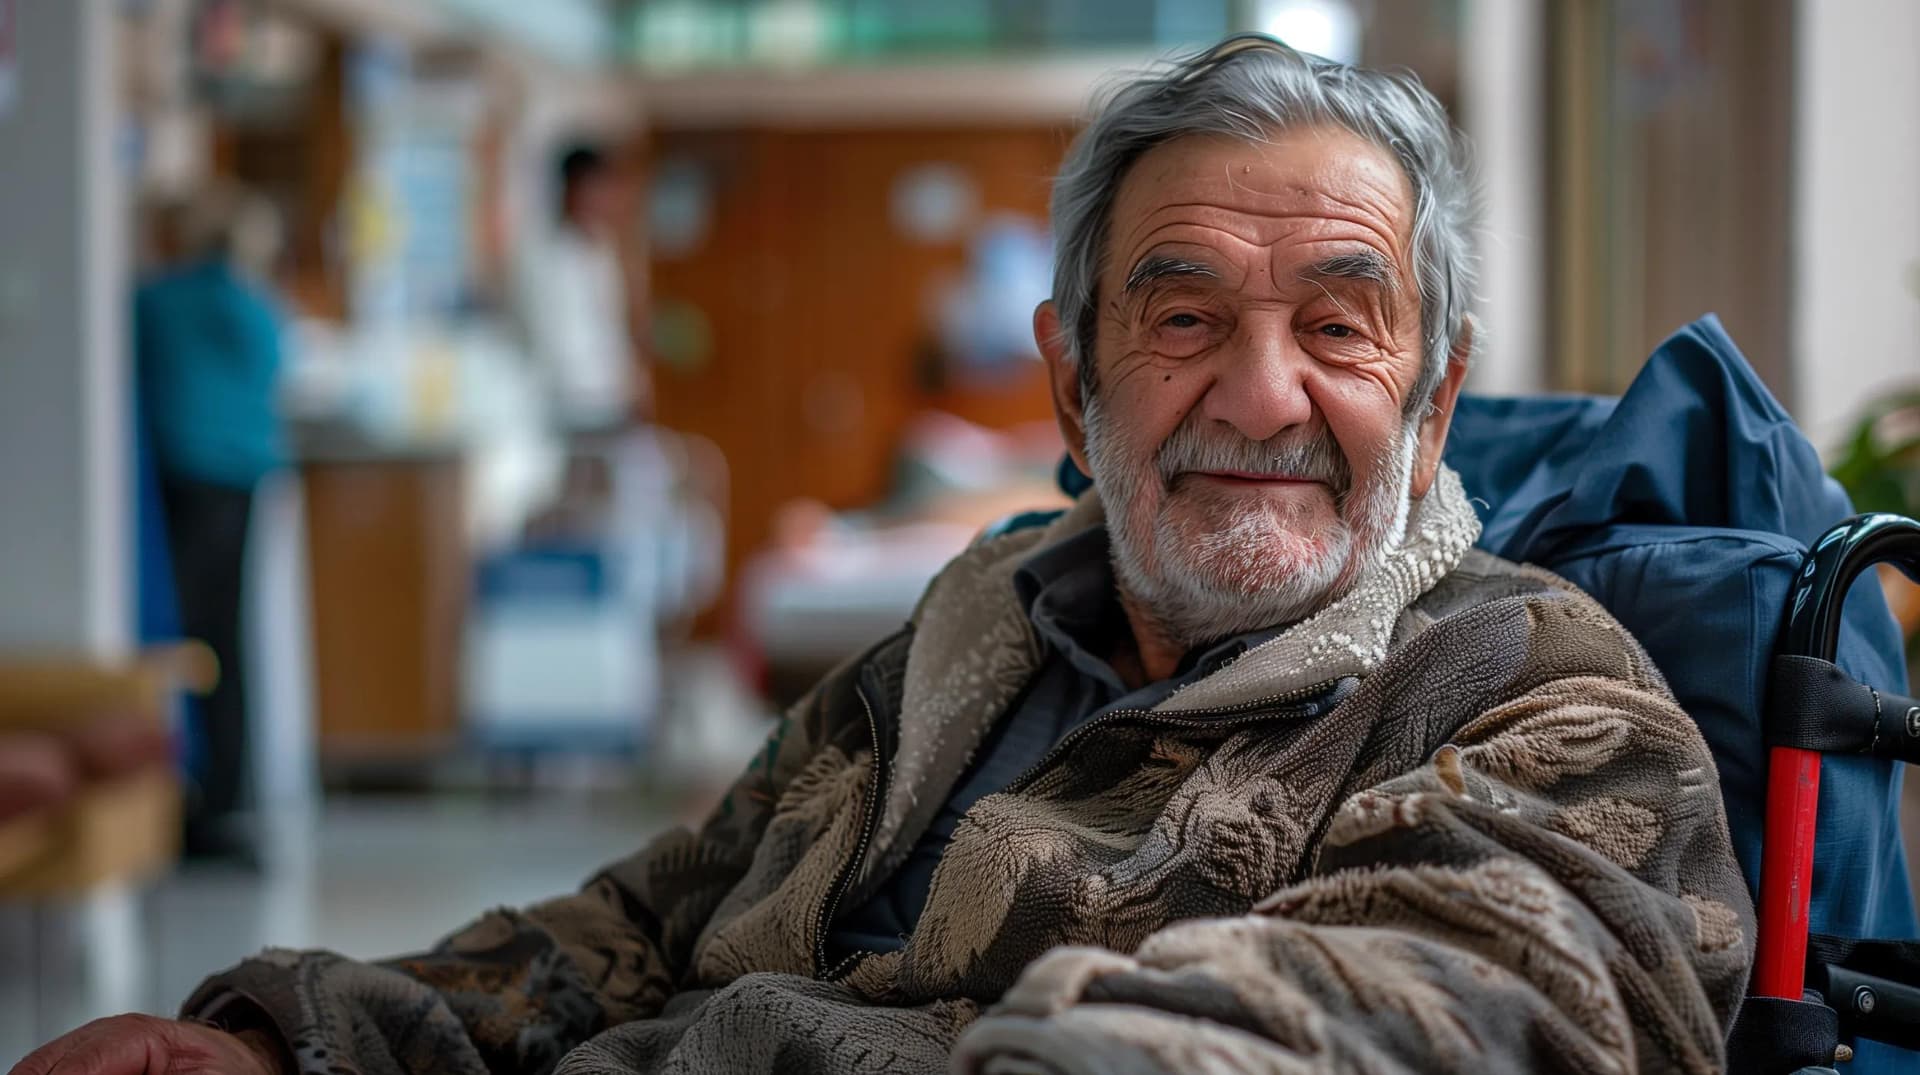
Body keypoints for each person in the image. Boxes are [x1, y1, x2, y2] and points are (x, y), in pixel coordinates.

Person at [16, 35, 1753, 1075]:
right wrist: (283, 1034)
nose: (1259, 388)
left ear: (1433, 396)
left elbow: (1474, 1007)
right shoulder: (966, 636)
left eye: (1341, 323)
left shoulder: (1537, 697)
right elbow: (640, 931)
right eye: (1184, 312)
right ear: (1071, 377)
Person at [132, 184, 287, 867]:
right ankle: (229, 799)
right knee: (228, 640)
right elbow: (276, 370)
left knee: (189, 642)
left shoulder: (155, 300)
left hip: (181, 478)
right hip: (241, 480)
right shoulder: (251, 306)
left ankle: (201, 802)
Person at [519, 144, 649, 433]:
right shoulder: (548, 258)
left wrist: (630, 382)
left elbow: (611, 329)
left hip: (612, 403)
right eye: (599, 189)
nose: (609, 200)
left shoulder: (602, 251)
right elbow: (557, 343)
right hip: (571, 408)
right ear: (574, 189)